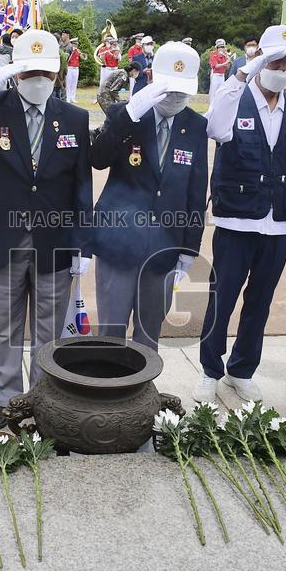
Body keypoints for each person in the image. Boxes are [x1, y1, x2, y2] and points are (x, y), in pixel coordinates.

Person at [0, 29, 93, 429]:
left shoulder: (74, 118)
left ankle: (42, 398)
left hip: (54, 239)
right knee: (4, 325)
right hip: (1, 236)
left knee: (49, 327)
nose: (38, 80)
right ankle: (6, 397)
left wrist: (83, 244)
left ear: (57, 74)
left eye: (46, 72)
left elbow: (82, 185)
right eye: (29, 73)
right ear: (15, 74)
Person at [193, 25, 286, 404]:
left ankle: (241, 370)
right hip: (237, 218)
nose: (285, 67)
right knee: (222, 297)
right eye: (278, 59)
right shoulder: (234, 95)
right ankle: (210, 370)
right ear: (261, 57)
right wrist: (242, 74)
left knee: (260, 301)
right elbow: (214, 127)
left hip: (280, 221)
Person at [89, 42, 208, 351]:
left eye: (183, 92)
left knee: (148, 336)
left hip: (165, 248)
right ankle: (107, 396)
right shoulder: (127, 114)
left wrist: (188, 251)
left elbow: (196, 191)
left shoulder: (196, 126)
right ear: (152, 76)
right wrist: (127, 115)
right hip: (118, 243)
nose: (176, 98)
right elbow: (98, 158)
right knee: (110, 334)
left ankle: (140, 396)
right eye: (171, 90)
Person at [65, 37, 83, 102]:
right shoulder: (69, 50)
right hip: (70, 68)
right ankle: (68, 98)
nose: (76, 46)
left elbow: (83, 58)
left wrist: (80, 53)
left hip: (76, 68)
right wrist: (72, 52)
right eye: (75, 44)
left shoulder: (78, 51)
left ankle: (73, 98)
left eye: (77, 44)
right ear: (72, 44)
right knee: (68, 84)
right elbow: (67, 60)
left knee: (74, 84)